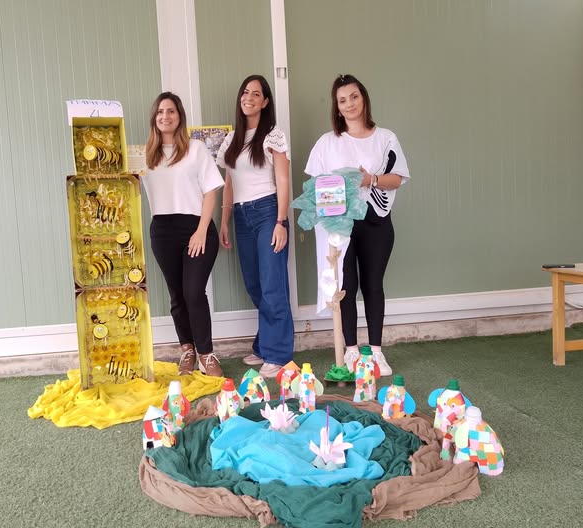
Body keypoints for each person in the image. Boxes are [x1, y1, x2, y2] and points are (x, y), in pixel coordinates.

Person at [305, 74, 410, 377]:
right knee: (346, 286)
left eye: (354, 96)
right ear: (337, 108)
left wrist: (370, 179)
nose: (349, 104)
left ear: (363, 98)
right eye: (342, 100)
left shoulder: (386, 138)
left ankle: (376, 351)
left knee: (373, 284)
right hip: (340, 225)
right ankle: (350, 350)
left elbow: (398, 178)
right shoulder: (327, 143)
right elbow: (314, 185)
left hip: (377, 221)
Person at [216, 75, 293, 380]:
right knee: (254, 284)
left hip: (268, 211)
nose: (249, 97)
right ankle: (264, 345)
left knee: (272, 283)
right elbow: (229, 182)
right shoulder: (231, 139)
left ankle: (278, 354)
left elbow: (283, 179)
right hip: (241, 215)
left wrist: (281, 222)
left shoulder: (273, 135)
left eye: (256, 94)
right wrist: (224, 220)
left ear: (265, 102)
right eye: (245, 92)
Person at [143, 92, 224, 377]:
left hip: (196, 227)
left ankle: (206, 354)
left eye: (171, 111)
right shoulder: (145, 155)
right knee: (177, 295)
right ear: (154, 118)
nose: (165, 116)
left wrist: (201, 230)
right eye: (160, 112)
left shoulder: (195, 149)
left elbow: (211, 190)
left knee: (193, 292)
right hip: (162, 231)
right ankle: (187, 350)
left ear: (179, 117)